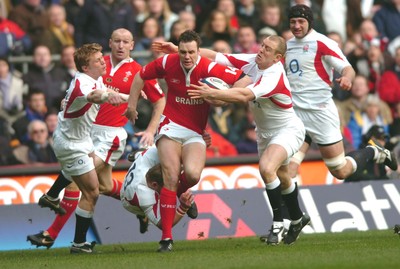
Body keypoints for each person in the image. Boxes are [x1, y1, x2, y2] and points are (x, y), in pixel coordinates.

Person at [27, 28, 167, 250]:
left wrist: (150, 129)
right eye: (117, 41)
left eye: (126, 42)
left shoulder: (139, 71)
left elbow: (159, 101)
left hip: (109, 136)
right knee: (102, 185)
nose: (121, 45)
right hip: (85, 134)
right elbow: (85, 93)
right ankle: (141, 206)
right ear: (110, 43)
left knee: (79, 180)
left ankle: (53, 233)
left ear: (132, 45)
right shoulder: (98, 64)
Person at [124, 30, 251, 252]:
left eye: (191, 52)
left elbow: (244, 79)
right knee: (171, 175)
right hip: (170, 125)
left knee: (192, 174)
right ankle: (166, 238)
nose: (187, 56)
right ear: (178, 50)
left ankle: (166, 197)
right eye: (183, 51)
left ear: (198, 51)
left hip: (195, 132)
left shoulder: (209, 67)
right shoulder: (167, 61)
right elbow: (140, 76)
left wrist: (224, 97)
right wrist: (131, 105)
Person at [188, 35, 309, 246]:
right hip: (265, 132)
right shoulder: (254, 60)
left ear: (278, 58)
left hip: (287, 129)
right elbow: (217, 56)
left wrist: (214, 92)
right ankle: (298, 219)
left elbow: (244, 95)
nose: (261, 50)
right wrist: (188, 51)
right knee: (281, 174)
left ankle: (278, 224)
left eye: (268, 49)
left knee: (266, 168)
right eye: (262, 45)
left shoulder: (274, 75)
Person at [285, 5, 397, 184]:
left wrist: (347, 78)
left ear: (310, 22)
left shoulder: (323, 43)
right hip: (297, 115)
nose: (296, 26)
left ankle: (374, 151)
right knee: (288, 168)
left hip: (320, 113)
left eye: (301, 21)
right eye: (293, 22)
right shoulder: (287, 45)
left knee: (341, 170)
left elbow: (347, 68)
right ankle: (292, 213)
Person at [49, 42, 125, 254]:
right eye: (98, 60)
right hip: (71, 143)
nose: (103, 61)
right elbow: (94, 96)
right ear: (85, 67)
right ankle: (78, 244)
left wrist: (130, 98)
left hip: (81, 139)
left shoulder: (94, 78)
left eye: (102, 58)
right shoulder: (83, 84)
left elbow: (102, 89)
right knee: (92, 190)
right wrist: (110, 97)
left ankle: (52, 195)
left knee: (94, 187)